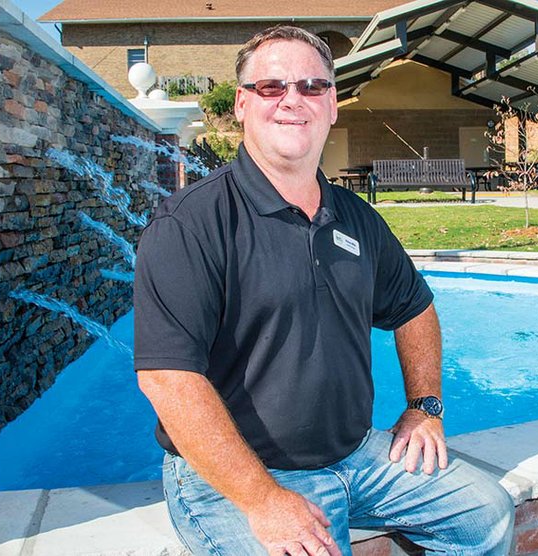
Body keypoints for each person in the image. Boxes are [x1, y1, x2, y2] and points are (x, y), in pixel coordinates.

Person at [134, 25, 515, 556]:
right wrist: (263, 498)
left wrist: (425, 406)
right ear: (242, 104)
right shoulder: (191, 224)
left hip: (356, 458)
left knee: (485, 515)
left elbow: (415, 308)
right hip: (232, 478)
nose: (294, 100)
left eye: (313, 86)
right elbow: (167, 379)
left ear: (332, 104)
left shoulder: (357, 218)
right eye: (272, 87)